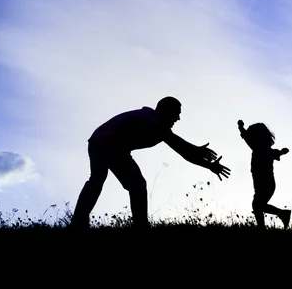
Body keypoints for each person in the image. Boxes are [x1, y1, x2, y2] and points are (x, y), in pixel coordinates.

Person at [70, 96, 230, 230]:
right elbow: (180, 146)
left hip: (118, 149)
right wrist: (197, 151)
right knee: (98, 179)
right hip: (102, 141)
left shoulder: (158, 125)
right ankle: (78, 222)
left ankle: (141, 226)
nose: (178, 118)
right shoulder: (151, 119)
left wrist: (208, 164)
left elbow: (182, 151)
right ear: (166, 110)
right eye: (176, 113)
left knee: (137, 185)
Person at [237, 119, 291, 230]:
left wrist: (241, 126)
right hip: (263, 184)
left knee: (257, 205)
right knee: (257, 205)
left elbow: (246, 136)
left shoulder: (259, 149)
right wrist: (282, 152)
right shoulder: (266, 150)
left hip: (266, 184)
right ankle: (264, 227)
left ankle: (280, 215)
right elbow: (277, 152)